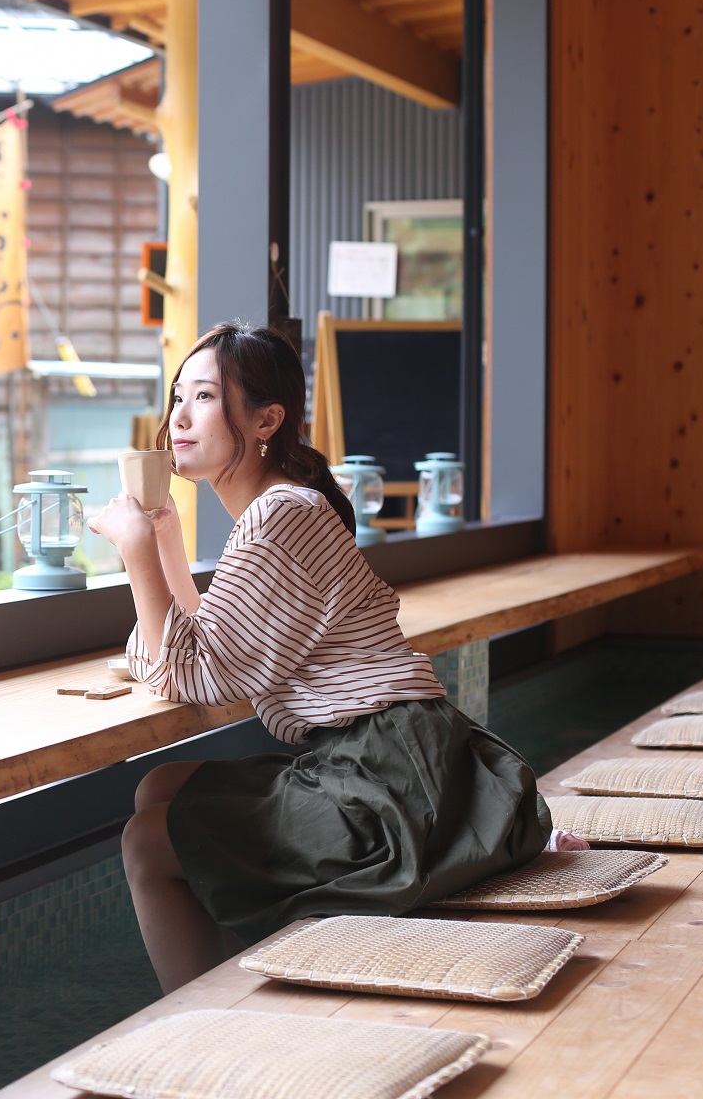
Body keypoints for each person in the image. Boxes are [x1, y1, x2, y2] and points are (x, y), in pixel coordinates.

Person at [88, 320, 576, 993]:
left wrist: (135, 553)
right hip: (404, 756)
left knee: (146, 843)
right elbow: (208, 647)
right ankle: (239, 990)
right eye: (177, 397)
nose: (179, 416)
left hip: (394, 780)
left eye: (203, 397)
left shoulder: (278, 516)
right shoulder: (282, 509)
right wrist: (164, 541)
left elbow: (196, 676)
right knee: (158, 791)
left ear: (267, 420)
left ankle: (211, 1032)